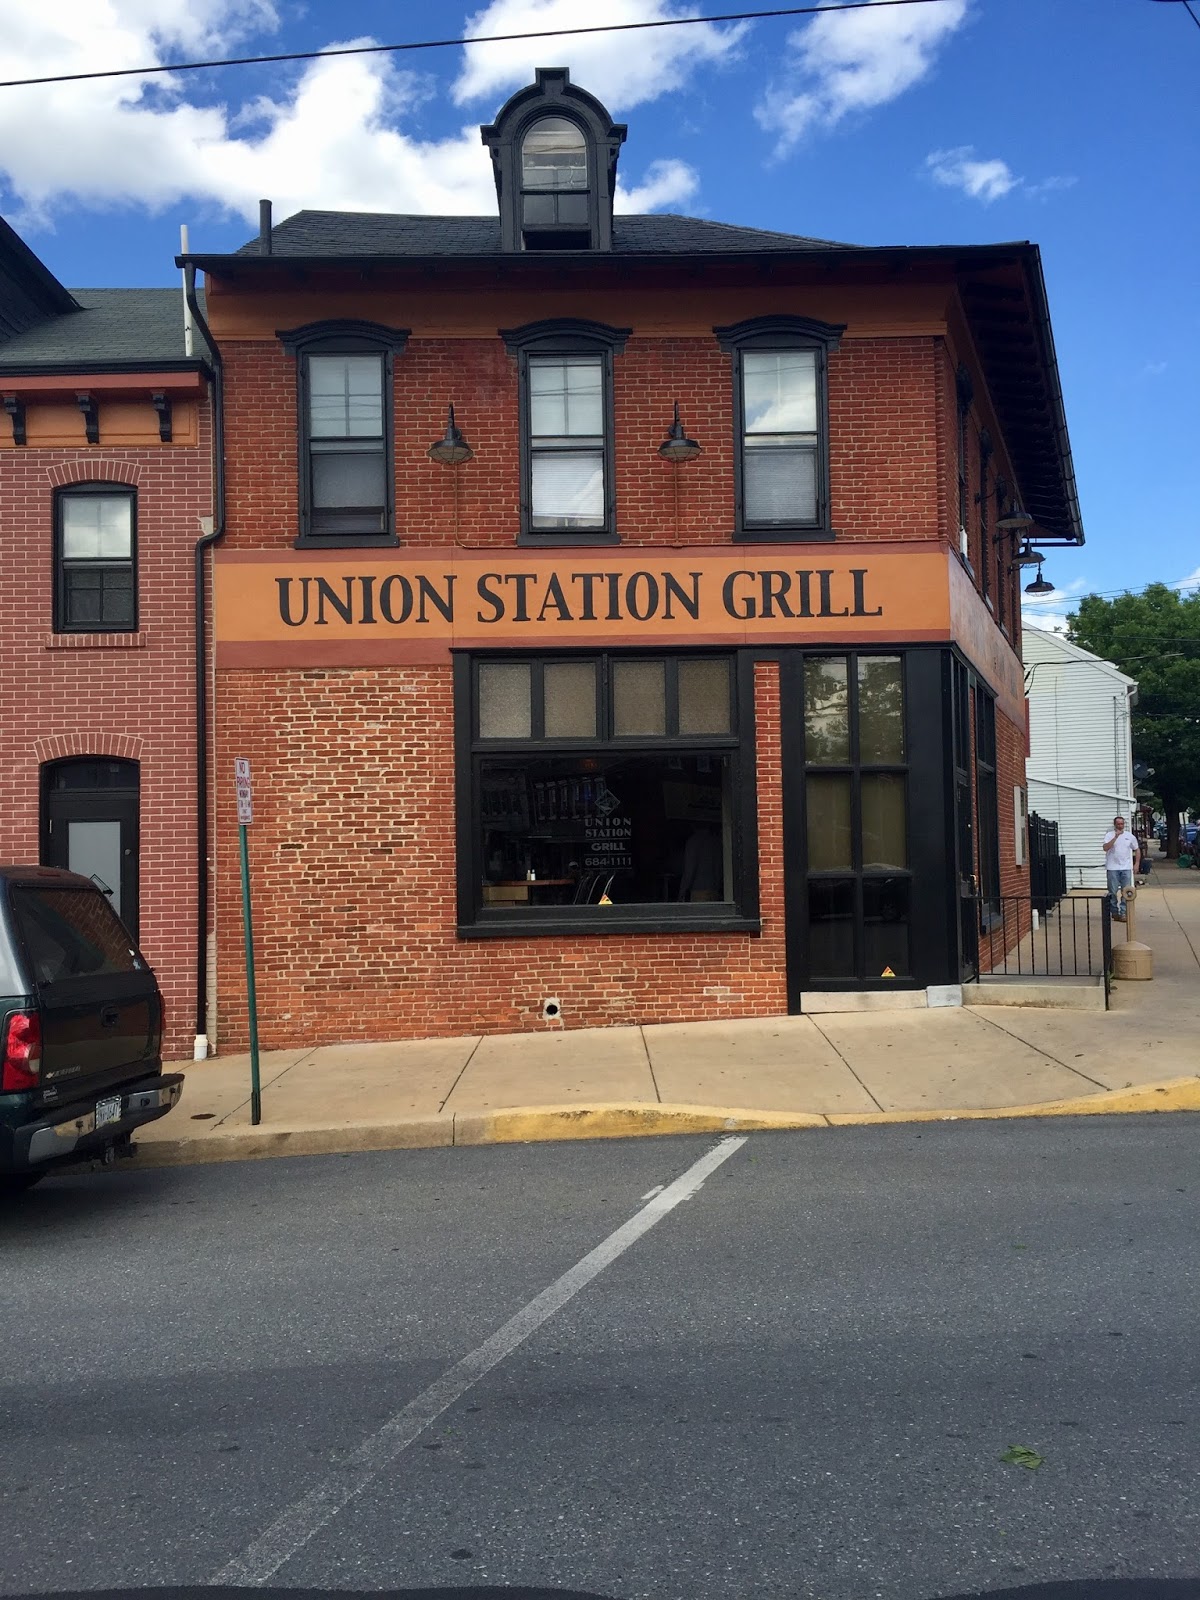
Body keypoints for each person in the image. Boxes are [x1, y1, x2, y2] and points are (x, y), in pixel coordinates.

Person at [1102, 816, 1140, 921]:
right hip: (1112, 867)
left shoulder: (1130, 836)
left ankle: (1123, 912)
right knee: (1112, 891)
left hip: (1126, 867)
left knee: (1126, 891)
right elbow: (1105, 848)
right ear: (1115, 825)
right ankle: (1114, 912)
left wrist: (1136, 864)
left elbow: (1137, 849)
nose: (1120, 826)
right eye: (1118, 824)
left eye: (1122, 824)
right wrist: (1115, 838)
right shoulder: (1109, 835)